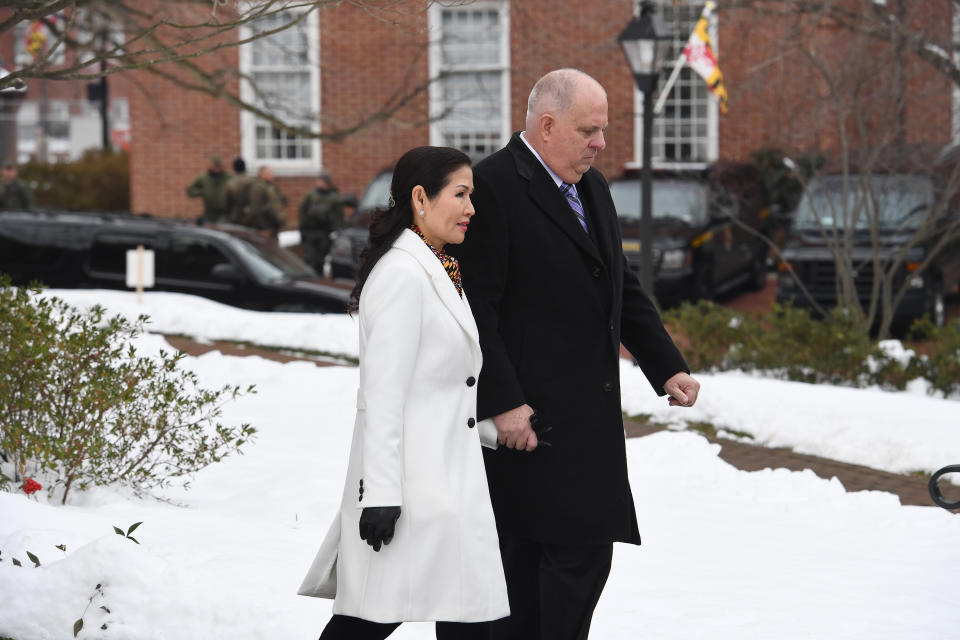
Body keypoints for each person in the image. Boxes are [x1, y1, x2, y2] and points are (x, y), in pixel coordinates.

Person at [447, 68, 702, 640]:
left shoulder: (592, 185)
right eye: (589, 130)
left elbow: (620, 282)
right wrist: (504, 403)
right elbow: (476, 312)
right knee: (544, 562)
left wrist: (666, 364)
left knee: (567, 561)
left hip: (586, 421)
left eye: (602, 130)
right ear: (546, 125)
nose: (601, 143)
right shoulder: (490, 189)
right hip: (528, 424)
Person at [298, 146, 509, 639]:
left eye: (471, 196)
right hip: (413, 491)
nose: (471, 208)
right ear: (420, 198)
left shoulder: (438, 269)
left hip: (443, 484)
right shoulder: (402, 274)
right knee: (366, 621)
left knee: (466, 616)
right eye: (460, 194)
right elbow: (383, 396)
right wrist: (383, 496)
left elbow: (442, 385)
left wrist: (497, 429)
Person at [299, 170, 344, 272]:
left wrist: (335, 229)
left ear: (326, 182)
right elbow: (303, 210)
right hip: (310, 231)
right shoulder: (311, 195)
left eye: (321, 181)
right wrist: (303, 227)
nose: (318, 183)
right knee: (309, 257)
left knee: (320, 258)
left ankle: (318, 276)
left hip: (324, 232)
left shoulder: (334, 197)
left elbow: (339, 216)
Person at [245, 165, 286, 238]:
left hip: (272, 227)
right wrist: (263, 228)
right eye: (269, 173)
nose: (272, 175)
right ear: (262, 174)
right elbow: (256, 210)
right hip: (264, 229)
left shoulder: (269, 186)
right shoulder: (258, 188)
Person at [186, 155, 230, 222]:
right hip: (209, 214)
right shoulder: (204, 178)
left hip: (224, 214)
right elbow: (190, 190)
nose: (217, 169)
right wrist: (202, 192)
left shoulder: (227, 177)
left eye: (219, 166)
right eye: (215, 166)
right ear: (211, 166)